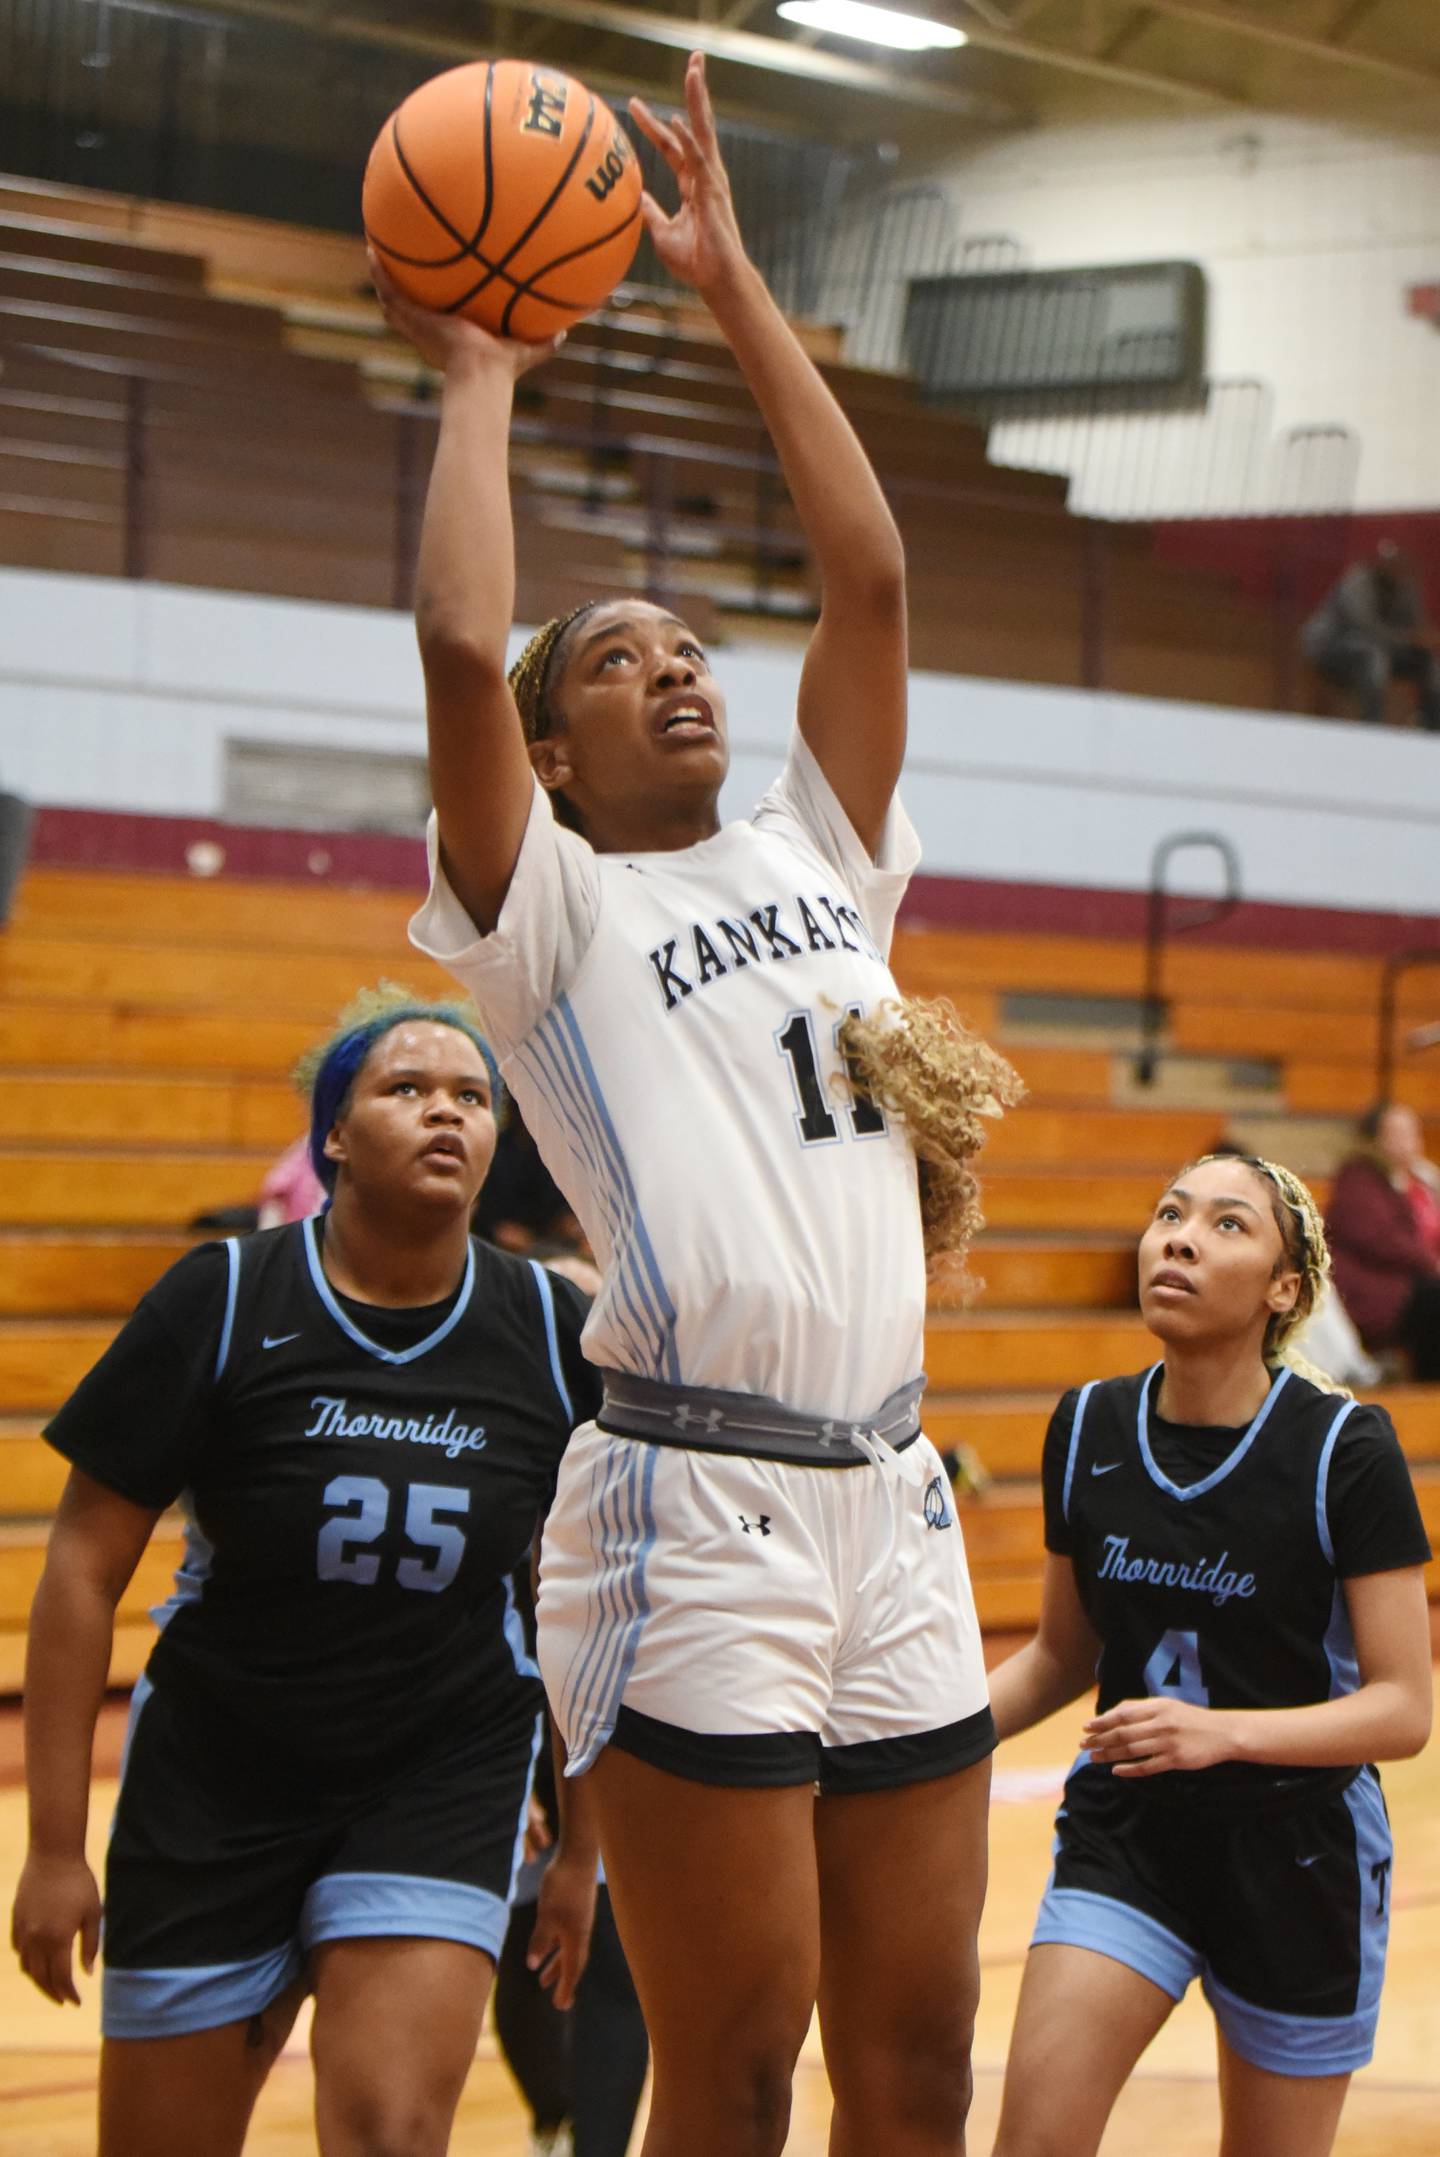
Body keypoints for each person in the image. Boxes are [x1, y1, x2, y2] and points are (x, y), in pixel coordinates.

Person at [376, 51, 1021, 2157]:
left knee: (916, 2064)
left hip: (898, 1502)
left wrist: (735, 286)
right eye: (625, 662)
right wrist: (483, 366)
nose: (682, 671)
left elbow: (876, 582)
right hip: (693, 1512)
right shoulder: (547, 916)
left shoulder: (818, 855)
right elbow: (464, 642)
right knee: (730, 2075)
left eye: (690, 649)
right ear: (554, 754)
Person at [10, 983, 601, 2157]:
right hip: (217, 1776)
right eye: (408, 1089)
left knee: (388, 2130)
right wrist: (53, 1848)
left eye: (473, 1097)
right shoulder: (222, 1297)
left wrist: (583, 1848)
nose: (447, 1114)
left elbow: (581, 1599)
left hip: (436, 1769)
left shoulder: (547, 1327)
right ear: (333, 1134)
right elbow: (82, 1566)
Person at [986, 1151, 1432, 2157]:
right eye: (1169, 1214)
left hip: (1300, 1852)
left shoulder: (1344, 1451)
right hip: (1130, 1834)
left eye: (1228, 1224)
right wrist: (922, 1742)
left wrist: (1222, 1733)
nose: (1180, 1236)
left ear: (1286, 1290)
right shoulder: (1089, 1423)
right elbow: (1062, 1653)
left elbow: (1405, 1710)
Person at [1327, 1101, 1440, 1380]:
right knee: (1434, 1300)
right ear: (1375, 1138)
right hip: (1377, 1287)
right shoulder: (1358, 1178)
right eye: (1399, 1133)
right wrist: (1432, 1263)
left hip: (1416, 1279)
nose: (1410, 1142)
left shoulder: (1425, 1179)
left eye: (1412, 1132)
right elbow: (1379, 1238)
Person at [1301, 541, 1440, 730]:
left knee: (1428, 661)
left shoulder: (1405, 587)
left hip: (1386, 649)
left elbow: (1416, 625)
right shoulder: (1358, 581)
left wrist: (1424, 639)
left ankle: (1432, 725)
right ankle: (1372, 727)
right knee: (1374, 656)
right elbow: (1363, 625)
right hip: (1333, 647)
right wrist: (1409, 638)